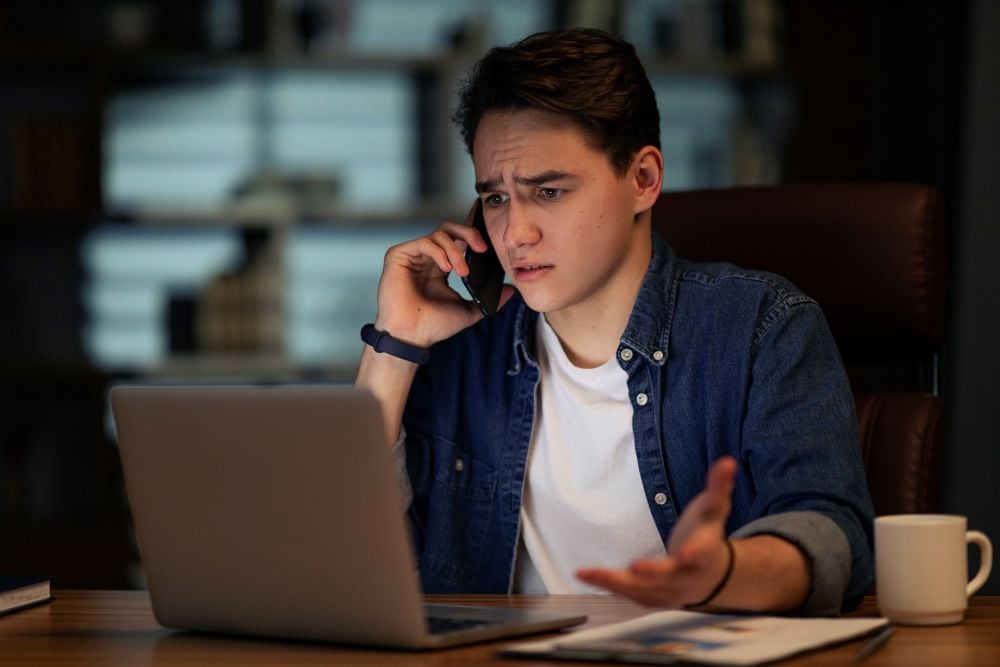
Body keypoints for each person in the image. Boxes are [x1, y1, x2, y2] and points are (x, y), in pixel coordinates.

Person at [355, 27, 874, 616]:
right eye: (495, 198)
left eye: (548, 191)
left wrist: (724, 575)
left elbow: (835, 537)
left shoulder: (762, 328)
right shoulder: (461, 352)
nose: (515, 234)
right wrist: (392, 345)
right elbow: (338, 558)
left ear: (643, 180)